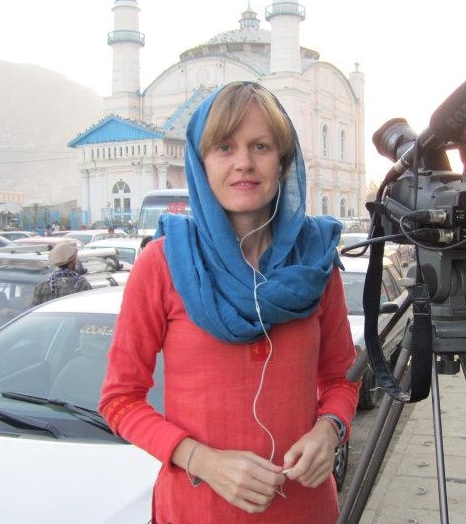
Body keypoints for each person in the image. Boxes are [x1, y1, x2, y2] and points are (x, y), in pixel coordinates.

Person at [99, 82, 359, 523]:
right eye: (224, 147)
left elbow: (341, 379)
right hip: (196, 509)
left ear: (284, 161)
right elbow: (120, 400)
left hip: (304, 509)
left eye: (260, 146)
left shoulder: (315, 262)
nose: (244, 163)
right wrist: (202, 461)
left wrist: (329, 429)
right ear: (200, 165)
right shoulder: (163, 264)